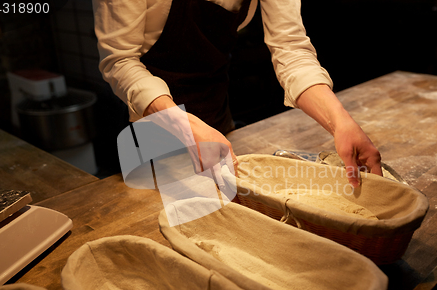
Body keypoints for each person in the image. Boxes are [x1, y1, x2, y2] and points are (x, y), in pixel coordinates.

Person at [93, 0, 382, 188]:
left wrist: (340, 121)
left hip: (218, 116)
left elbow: (291, 49)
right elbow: (119, 61)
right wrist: (186, 127)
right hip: (150, 130)